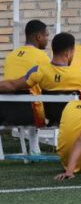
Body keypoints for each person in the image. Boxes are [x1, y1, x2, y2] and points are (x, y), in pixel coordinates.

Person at [0, 32, 81, 126]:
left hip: (52, 119)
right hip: (77, 122)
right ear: (68, 53)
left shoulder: (38, 71)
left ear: (53, 50)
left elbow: (13, 85)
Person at [0, 20, 50, 150]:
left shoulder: (10, 56)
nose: (47, 39)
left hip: (7, 112)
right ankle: (35, 146)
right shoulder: (42, 56)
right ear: (38, 37)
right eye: (46, 36)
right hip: (32, 113)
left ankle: (34, 146)